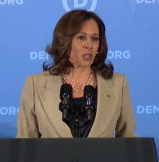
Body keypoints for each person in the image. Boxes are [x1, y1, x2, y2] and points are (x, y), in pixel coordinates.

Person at [17, 10, 136, 138]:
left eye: (95, 39)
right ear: (64, 41)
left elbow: (128, 141)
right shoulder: (35, 85)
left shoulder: (118, 84)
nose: (89, 45)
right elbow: (25, 144)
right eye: (81, 37)